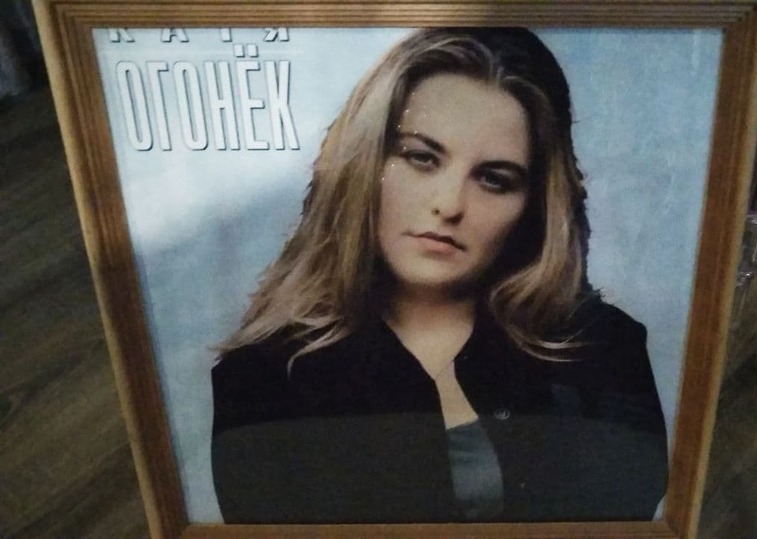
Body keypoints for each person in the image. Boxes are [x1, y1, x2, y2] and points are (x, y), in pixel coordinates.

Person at [211, 27, 668, 524]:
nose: (449, 205)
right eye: (421, 158)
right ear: (364, 163)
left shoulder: (605, 351)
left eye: (494, 180)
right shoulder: (260, 377)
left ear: (533, 206)